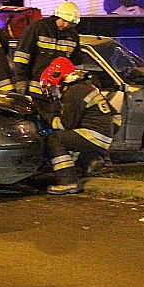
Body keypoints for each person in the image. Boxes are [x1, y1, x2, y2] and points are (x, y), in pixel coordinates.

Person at [39, 57, 119, 195]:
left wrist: (47, 116)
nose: (53, 93)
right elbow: (115, 115)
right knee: (73, 140)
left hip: (94, 135)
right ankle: (91, 161)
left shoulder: (73, 93)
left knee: (55, 139)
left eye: (52, 88)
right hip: (102, 135)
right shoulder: (85, 87)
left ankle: (67, 182)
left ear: (59, 80)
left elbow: (65, 125)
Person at [13, 1, 82, 97]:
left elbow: (76, 63)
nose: (67, 25)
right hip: (35, 91)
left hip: (57, 94)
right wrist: (20, 82)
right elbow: (21, 57)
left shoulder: (73, 36)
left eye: (70, 23)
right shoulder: (38, 28)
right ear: (58, 16)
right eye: (65, 21)